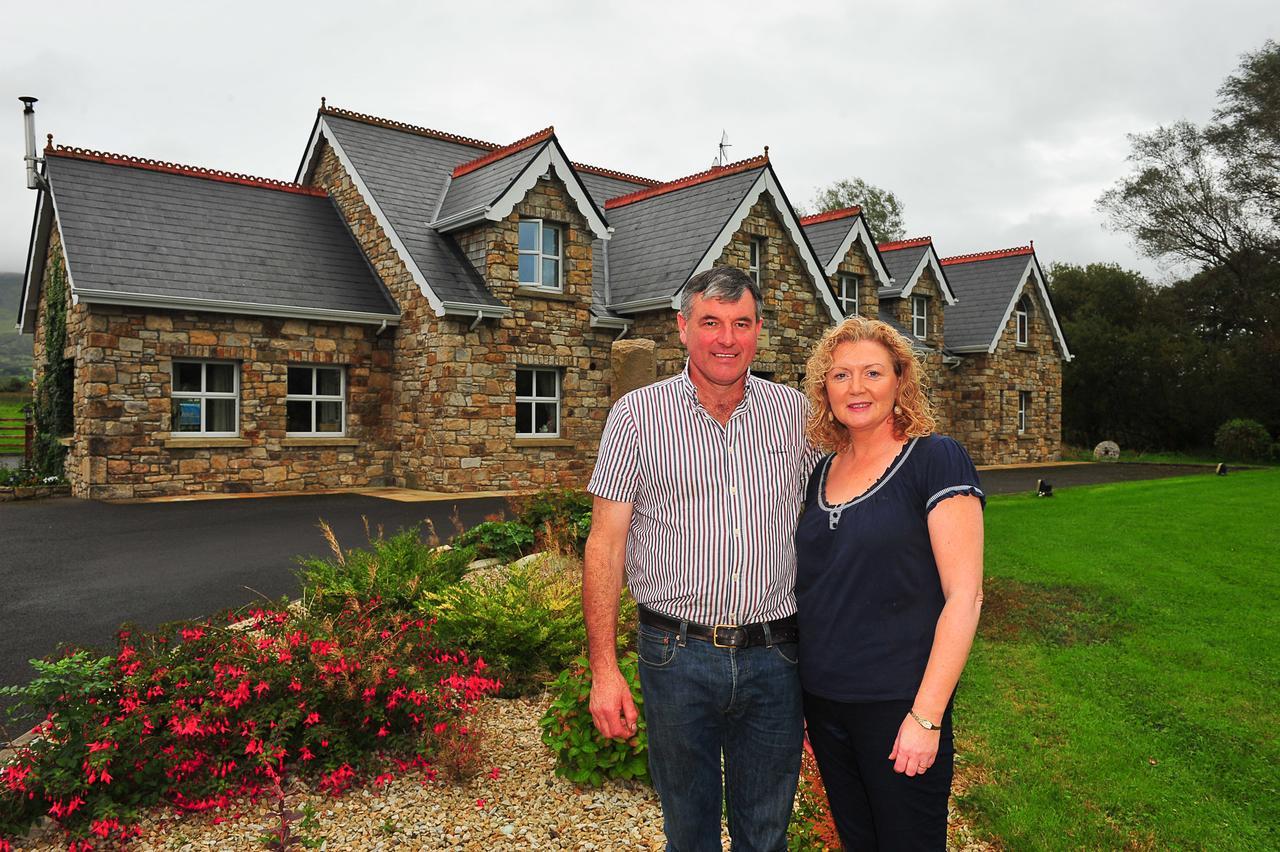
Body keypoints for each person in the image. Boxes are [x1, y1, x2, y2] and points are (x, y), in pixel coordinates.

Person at [584, 265, 819, 851]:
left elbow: (835, 527)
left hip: (777, 656)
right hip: (677, 656)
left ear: (759, 331)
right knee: (687, 831)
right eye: (711, 322)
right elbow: (606, 544)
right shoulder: (637, 416)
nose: (726, 338)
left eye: (741, 323)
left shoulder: (797, 416)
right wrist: (604, 671)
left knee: (765, 833)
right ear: (682, 328)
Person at [795, 316, 985, 851]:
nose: (856, 388)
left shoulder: (935, 458)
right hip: (825, 703)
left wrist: (926, 717)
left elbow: (964, 597)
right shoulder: (821, 472)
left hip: (898, 703)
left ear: (900, 381)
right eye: (840, 375)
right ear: (824, 389)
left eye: (872, 373)